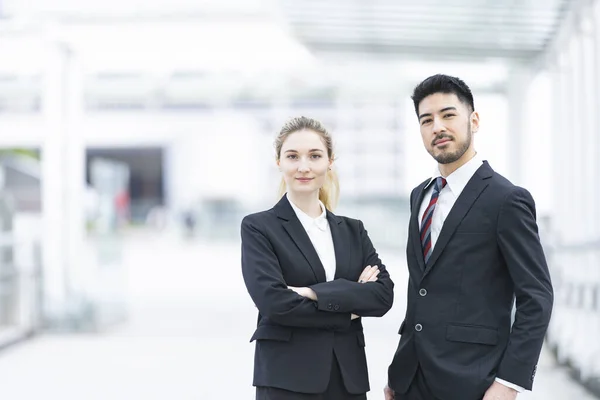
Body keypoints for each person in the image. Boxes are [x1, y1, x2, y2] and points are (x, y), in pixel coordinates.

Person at [385, 74, 554, 400]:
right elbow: (421, 290)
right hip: (411, 381)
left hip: (473, 381)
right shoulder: (419, 196)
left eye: (448, 115)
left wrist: (508, 384)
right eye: (426, 120)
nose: (437, 127)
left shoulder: (507, 199)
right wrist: (400, 371)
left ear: (473, 120)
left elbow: (537, 298)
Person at [241, 116, 394, 399]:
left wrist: (311, 293)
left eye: (314, 156)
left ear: (329, 161)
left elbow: (383, 296)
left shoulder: (352, 230)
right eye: (292, 156)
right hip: (286, 379)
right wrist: (350, 304)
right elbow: (274, 303)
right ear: (279, 162)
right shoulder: (259, 227)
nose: (304, 166)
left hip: (347, 380)